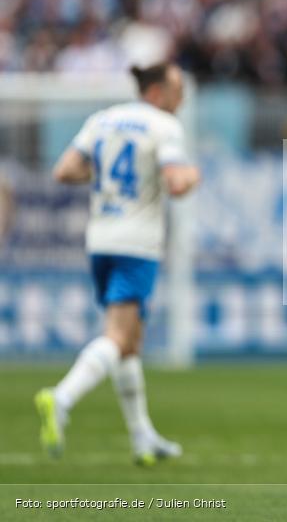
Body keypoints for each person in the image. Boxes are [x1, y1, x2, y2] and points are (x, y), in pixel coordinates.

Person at [35, 62, 201, 466]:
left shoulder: (103, 120)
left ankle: (142, 437)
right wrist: (193, 175)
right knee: (118, 336)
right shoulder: (164, 126)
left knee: (131, 343)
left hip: (100, 239)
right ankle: (62, 397)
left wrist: (107, 182)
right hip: (137, 243)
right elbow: (176, 184)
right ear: (156, 92)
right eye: (177, 91)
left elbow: (65, 171)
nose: (181, 100)